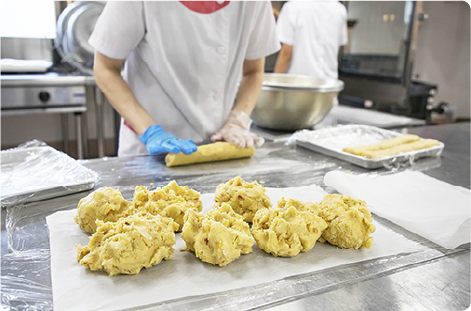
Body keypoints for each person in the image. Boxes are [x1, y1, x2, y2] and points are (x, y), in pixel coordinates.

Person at [89, 0, 280, 157]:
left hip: (219, 148)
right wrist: (150, 132)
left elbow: (253, 72)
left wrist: (237, 121)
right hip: (148, 153)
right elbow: (105, 68)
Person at [273, 0, 348, 79]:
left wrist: (274, 83)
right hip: (329, 83)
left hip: (298, 83)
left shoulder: (292, 7)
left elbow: (286, 54)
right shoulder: (340, 9)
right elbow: (337, 48)